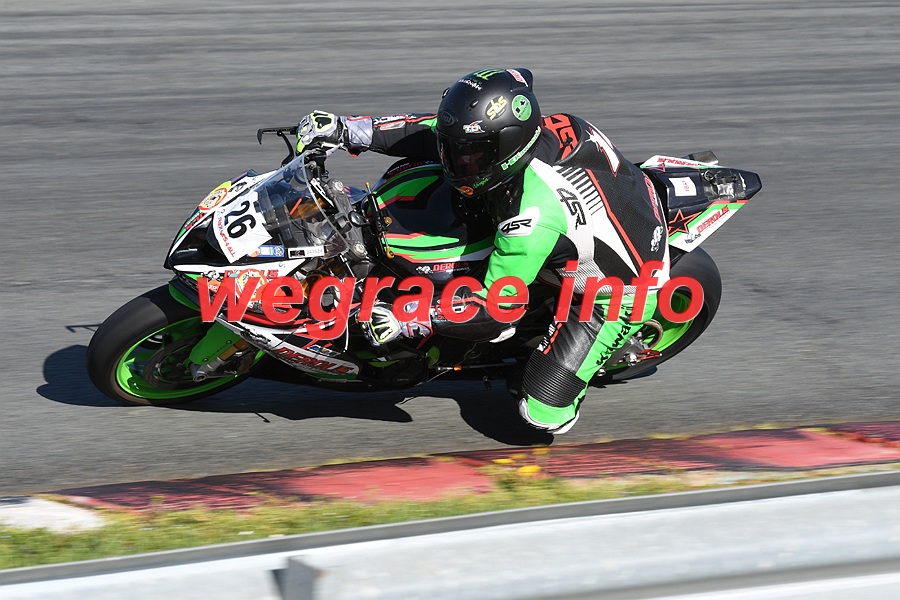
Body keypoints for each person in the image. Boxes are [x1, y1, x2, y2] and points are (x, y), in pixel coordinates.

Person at [295, 68, 669, 434]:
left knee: (540, 412)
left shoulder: (530, 216)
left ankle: (571, 369)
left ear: (505, 148)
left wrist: (407, 317)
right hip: (605, 210)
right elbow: (428, 131)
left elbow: (498, 307)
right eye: (453, 148)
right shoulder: (523, 135)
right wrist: (344, 129)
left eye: (468, 154)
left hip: (617, 290)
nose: (453, 158)